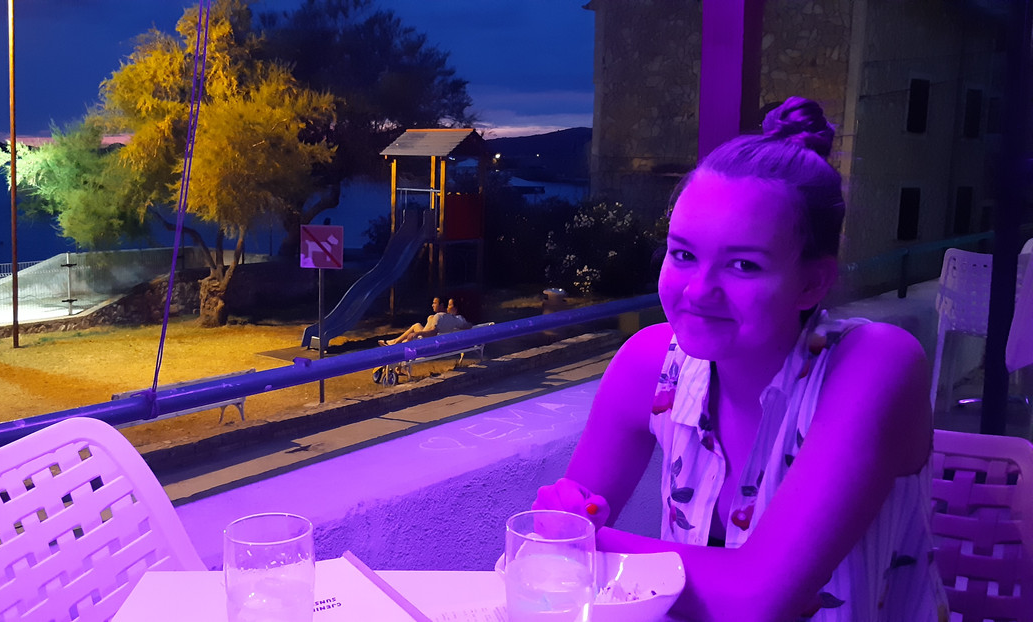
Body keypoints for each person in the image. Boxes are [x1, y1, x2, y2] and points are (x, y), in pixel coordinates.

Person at [532, 97, 948, 621]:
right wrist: (567, 518)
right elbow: (553, 553)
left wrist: (583, 541)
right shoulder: (650, 363)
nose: (698, 291)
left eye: (743, 265)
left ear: (812, 282)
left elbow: (758, 598)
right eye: (683, 254)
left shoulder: (873, 365)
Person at [379, 297, 449, 346]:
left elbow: (432, 332)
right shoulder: (448, 317)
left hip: (428, 341)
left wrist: (417, 333)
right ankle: (394, 342)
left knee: (405, 341)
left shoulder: (438, 317)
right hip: (431, 339)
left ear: (441, 305)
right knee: (417, 325)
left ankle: (394, 343)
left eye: (435, 303)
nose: (432, 305)